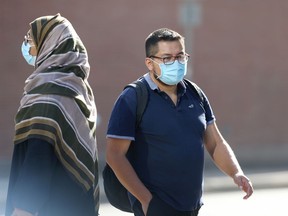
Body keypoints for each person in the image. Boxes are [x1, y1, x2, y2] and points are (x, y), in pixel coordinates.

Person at [106, 28, 253, 216]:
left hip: (192, 206)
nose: (175, 63)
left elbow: (215, 142)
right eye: (167, 58)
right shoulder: (132, 98)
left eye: (180, 56)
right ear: (149, 63)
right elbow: (114, 155)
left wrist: (236, 173)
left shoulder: (195, 94)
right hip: (156, 207)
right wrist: (145, 199)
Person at [5, 14, 99, 216]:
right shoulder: (78, 90)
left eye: (30, 40)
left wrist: (23, 209)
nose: (27, 47)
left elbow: (38, 157)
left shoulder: (49, 94)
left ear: (50, 45)